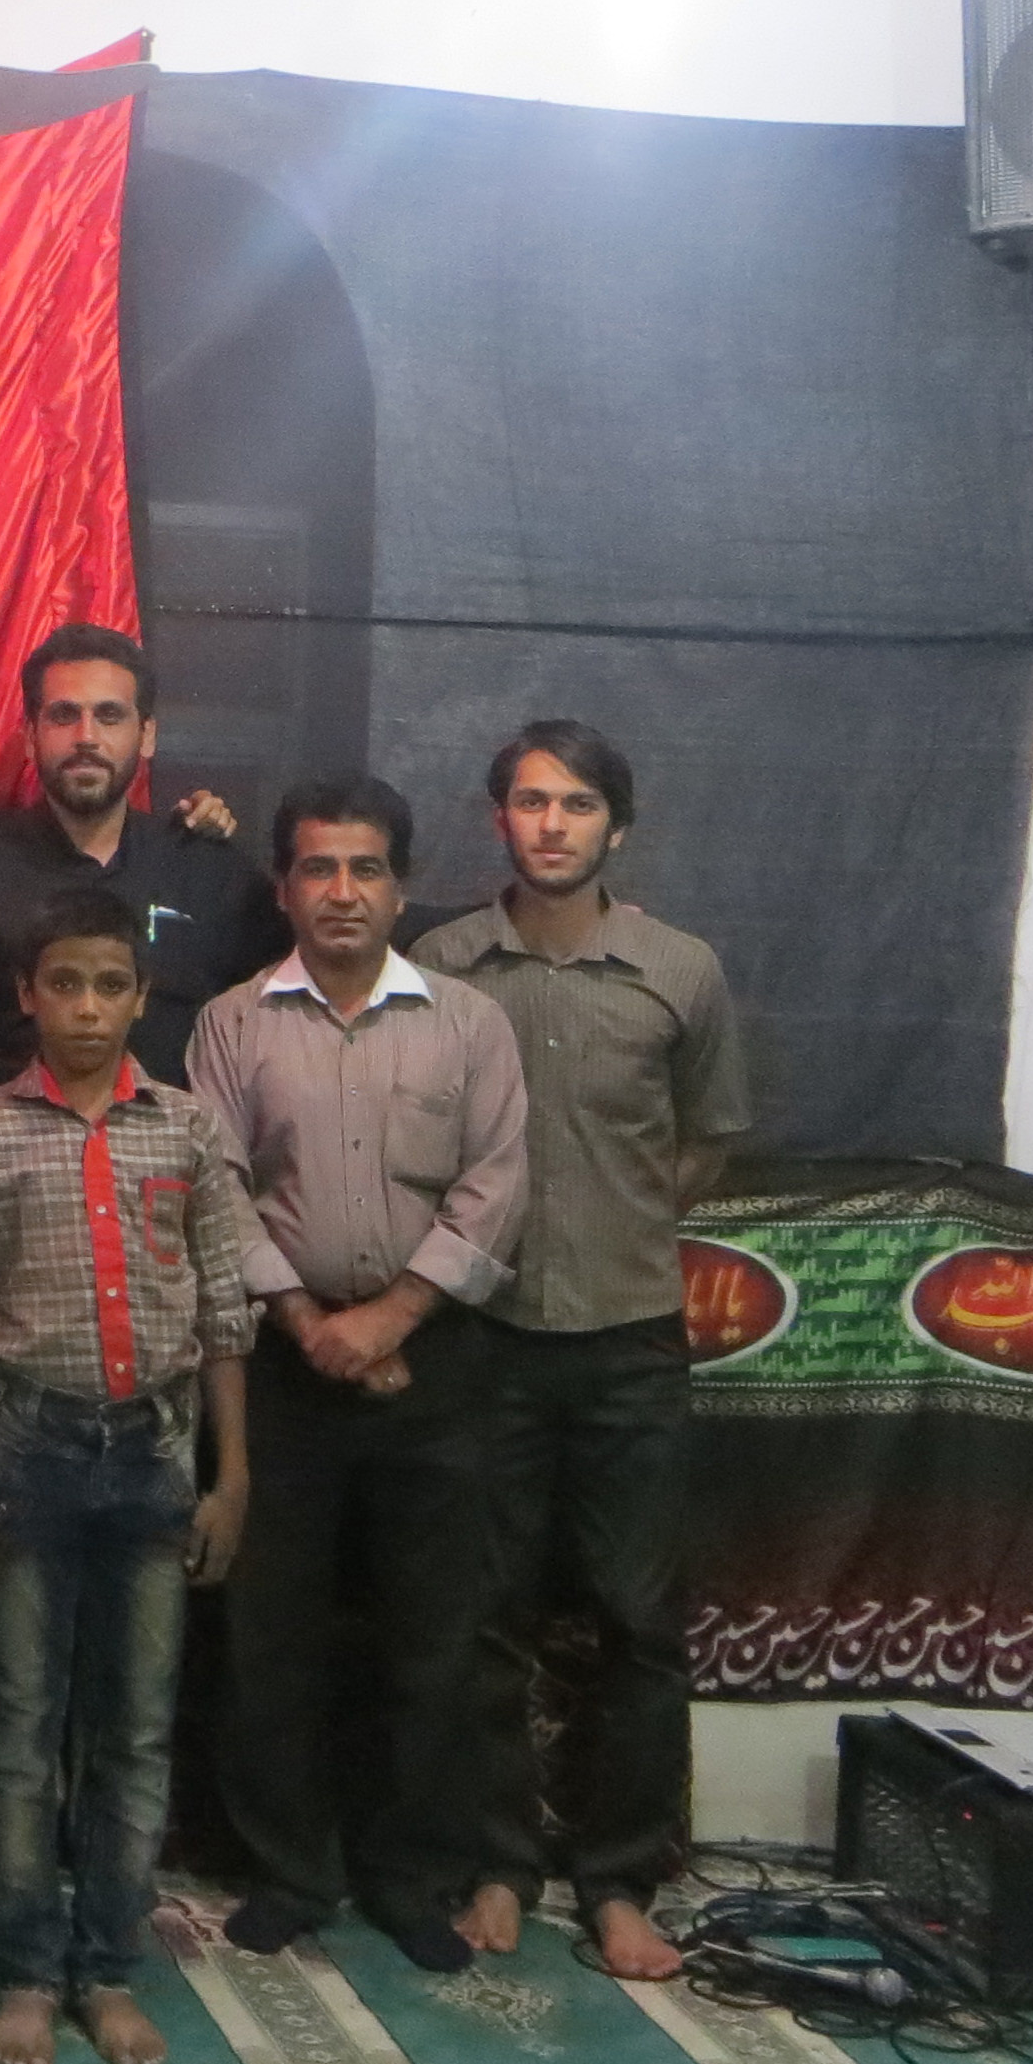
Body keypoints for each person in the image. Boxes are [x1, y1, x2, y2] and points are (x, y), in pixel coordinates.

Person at [411, 722, 750, 1983]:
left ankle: (617, 1885)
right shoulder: (440, 968)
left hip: (627, 1343)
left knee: (636, 1622)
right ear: (496, 816)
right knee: (483, 1616)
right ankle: (498, 1866)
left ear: (619, 825)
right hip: (483, 1341)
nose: (550, 824)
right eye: (528, 800)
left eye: (576, 804)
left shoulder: (679, 970)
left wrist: (615, 1222)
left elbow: (705, 1139)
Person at [192, 776, 527, 1974]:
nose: (342, 892)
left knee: (427, 1636)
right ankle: (289, 1872)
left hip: (432, 1366)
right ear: (283, 887)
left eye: (366, 869)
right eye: (319, 869)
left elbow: (496, 1187)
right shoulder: (232, 1024)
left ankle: (408, 1876)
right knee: (270, 1636)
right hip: (281, 1371)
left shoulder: (468, 1025)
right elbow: (214, 1186)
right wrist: (306, 1322)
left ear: (400, 886)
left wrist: (388, 1320)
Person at [0, 886, 257, 2064]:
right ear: (26, 994)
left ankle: (107, 1964)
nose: (85, 1008)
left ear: (141, 997)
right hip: (26, 1448)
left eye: (109, 985)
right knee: (19, 1727)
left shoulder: (187, 1130)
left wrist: (231, 1475)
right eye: (62, 983)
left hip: (157, 1450)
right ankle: (25, 1965)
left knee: (135, 1728)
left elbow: (223, 1313)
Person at [0, 624, 281, 1105]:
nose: (86, 737)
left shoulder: (209, 873)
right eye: (64, 715)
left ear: (147, 735)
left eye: (109, 715)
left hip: (180, 1148)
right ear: (30, 736)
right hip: (7, 1148)